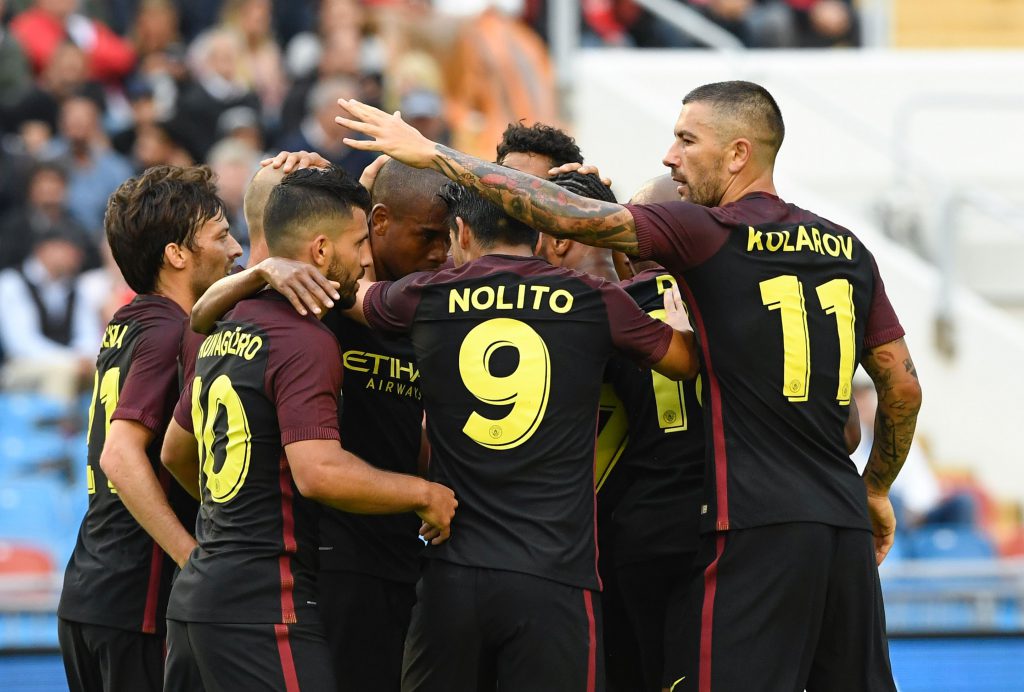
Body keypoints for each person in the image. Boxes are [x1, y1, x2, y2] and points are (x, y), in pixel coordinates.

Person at [336, 79, 923, 692]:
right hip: (844, 528)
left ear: (738, 154)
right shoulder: (849, 250)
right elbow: (902, 389)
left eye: (686, 139)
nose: (670, 154)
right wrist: (876, 487)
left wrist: (434, 154)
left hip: (752, 525)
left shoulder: (704, 233)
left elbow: (570, 214)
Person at [348, 180, 697, 692]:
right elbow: (686, 361)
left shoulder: (426, 295)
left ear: (460, 231)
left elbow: (346, 294)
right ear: (539, 235)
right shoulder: (595, 299)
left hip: (453, 573)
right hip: (555, 578)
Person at [158, 166, 457, 692]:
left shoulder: (233, 325)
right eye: (358, 242)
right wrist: (425, 493)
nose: (365, 258)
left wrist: (236, 512)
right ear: (321, 251)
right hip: (267, 599)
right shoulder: (309, 336)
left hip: (199, 597)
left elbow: (177, 452)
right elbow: (317, 473)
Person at [57, 165, 244, 692]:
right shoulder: (171, 332)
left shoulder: (130, 321)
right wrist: (194, 558)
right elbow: (120, 456)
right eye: (220, 234)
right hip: (136, 604)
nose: (236, 249)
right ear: (176, 254)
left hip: (89, 594)